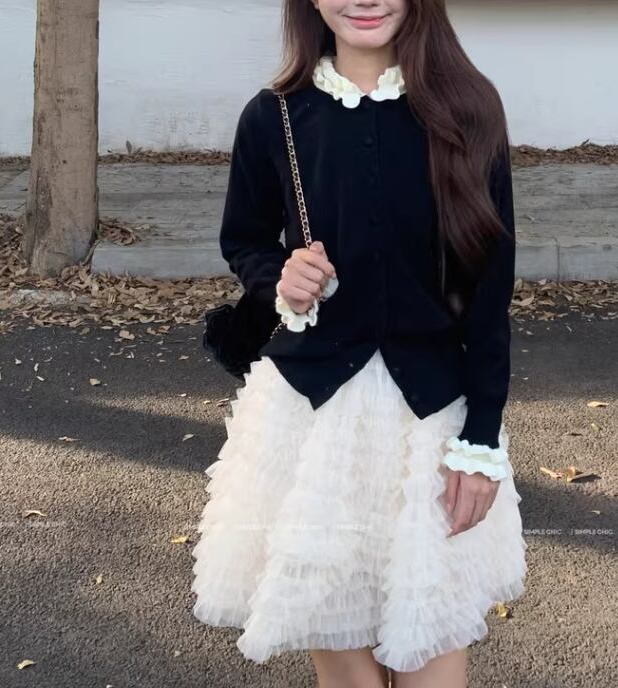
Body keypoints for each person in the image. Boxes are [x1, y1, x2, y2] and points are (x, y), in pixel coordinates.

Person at [192, 1, 528, 686]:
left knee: (430, 648)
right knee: (345, 664)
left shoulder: (469, 111)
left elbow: (490, 298)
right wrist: (280, 278)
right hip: (311, 427)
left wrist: (481, 442)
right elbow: (245, 239)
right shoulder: (274, 117)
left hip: (432, 423)